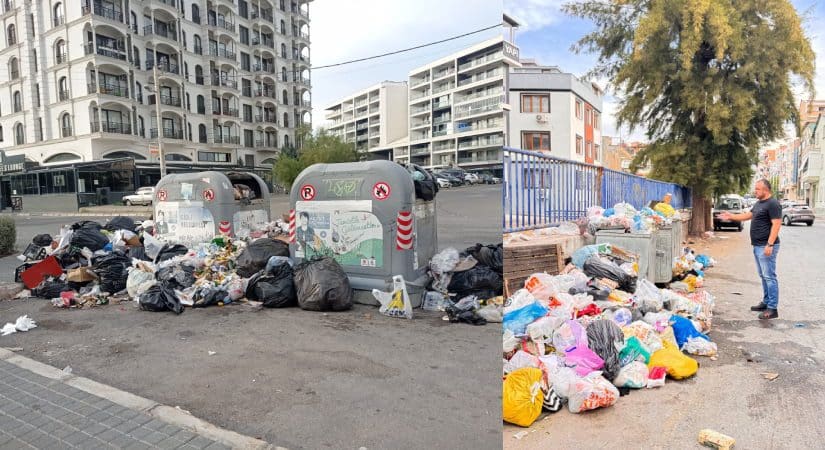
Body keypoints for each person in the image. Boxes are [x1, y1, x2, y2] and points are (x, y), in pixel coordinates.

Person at [718, 179, 782, 319]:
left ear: (765, 190)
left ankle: (772, 308)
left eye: (757, 189)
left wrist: (770, 244)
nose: (755, 191)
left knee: (769, 277)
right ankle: (766, 302)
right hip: (758, 246)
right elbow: (748, 215)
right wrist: (731, 216)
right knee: (763, 276)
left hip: (766, 246)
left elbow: (777, 224)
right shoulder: (759, 203)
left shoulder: (773, 204)